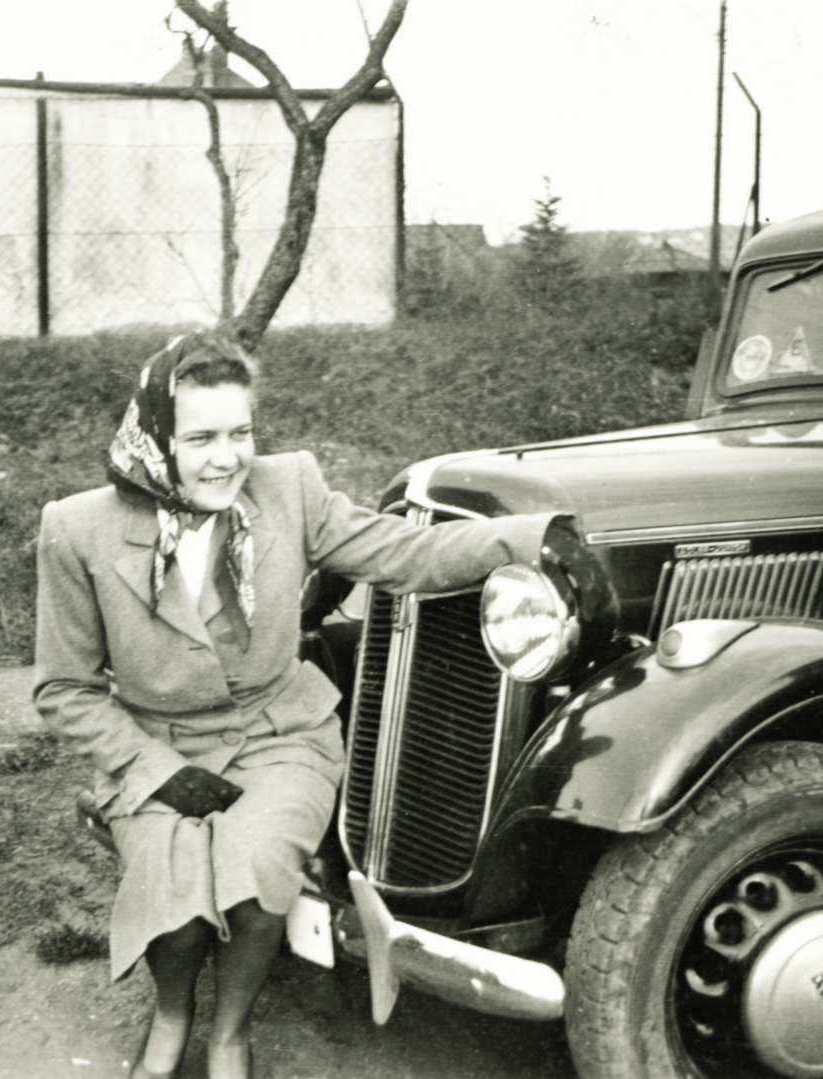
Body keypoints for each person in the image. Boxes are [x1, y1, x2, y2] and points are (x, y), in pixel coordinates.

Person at [32, 332, 555, 1079]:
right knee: (172, 902)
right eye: (201, 437)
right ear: (156, 438)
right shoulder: (77, 529)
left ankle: (231, 1033)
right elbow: (64, 688)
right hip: (155, 743)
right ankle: (174, 1012)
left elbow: (406, 554)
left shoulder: (290, 490)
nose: (226, 458)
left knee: (254, 880)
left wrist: (531, 539)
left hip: (281, 733)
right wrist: (154, 768)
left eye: (240, 433)